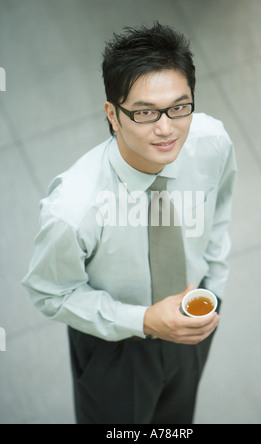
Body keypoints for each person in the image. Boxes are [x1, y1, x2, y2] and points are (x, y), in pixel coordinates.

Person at [22, 22, 237, 424]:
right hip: (115, 343)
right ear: (113, 114)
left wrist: (215, 286)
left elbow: (220, 209)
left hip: (194, 319)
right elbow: (49, 293)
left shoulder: (211, 142)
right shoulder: (73, 209)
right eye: (144, 112)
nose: (166, 127)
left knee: (176, 422)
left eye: (179, 106)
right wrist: (141, 320)